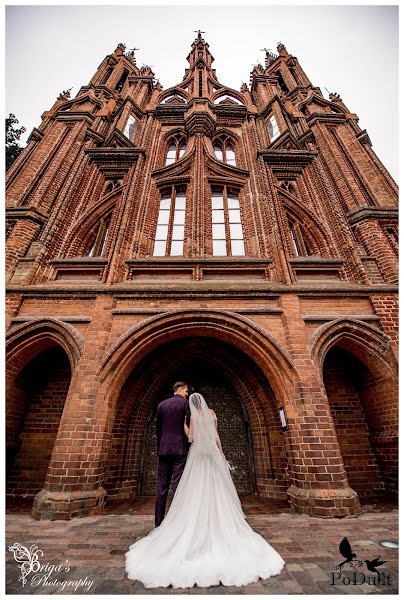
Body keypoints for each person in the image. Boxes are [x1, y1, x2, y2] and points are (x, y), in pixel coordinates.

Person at [125, 392, 285, 589]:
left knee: (193, 490)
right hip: (212, 454)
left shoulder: (193, 417)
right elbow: (216, 437)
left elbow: (191, 437)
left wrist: (182, 426)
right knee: (218, 490)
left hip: (197, 457)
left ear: (192, 405)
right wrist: (222, 454)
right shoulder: (212, 413)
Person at [154, 381, 191, 527]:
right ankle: (176, 524)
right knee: (177, 486)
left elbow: (158, 430)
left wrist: (160, 446)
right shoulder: (185, 404)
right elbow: (188, 425)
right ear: (180, 390)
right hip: (180, 449)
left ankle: (158, 523)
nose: (187, 394)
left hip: (164, 449)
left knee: (161, 487)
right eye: (186, 391)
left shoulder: (161, 405)